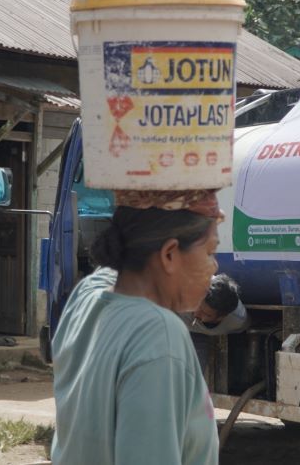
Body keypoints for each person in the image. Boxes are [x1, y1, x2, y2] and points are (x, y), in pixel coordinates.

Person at [51, 191, 222, 465]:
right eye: (210, 251)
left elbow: (113, 273)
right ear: (169, 254)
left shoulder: (86, 296)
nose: (214, 267)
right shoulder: (158, 333)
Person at [185, 274, 249, 336]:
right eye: (197, 305)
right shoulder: (182, 292)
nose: (196, 313)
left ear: (221, 317)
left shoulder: (237, 321)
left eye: (205, 314)